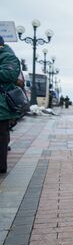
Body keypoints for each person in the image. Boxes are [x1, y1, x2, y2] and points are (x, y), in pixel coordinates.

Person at [0, 36, 21, 173]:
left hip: (2, 104)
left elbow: (10, 74)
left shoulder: (8, 56)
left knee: (1, 135)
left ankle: (1, 165)